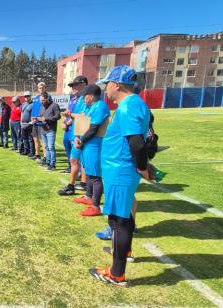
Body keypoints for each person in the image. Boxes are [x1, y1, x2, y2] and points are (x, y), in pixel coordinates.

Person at [89, 65, 150, 287]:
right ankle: (124, 251)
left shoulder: (127, 107)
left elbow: (136, 142)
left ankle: (116, 274)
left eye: (107, 85)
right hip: (120, 169)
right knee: (123, 216)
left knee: (118, 221)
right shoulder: (134, 104)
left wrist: (143, 166)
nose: (106, 90)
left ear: (117, 85)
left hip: (120, 169)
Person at [73, 85, 110, 217]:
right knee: (88, 172)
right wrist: (78, 138)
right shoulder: (90, 107)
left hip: (95, 145)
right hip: (87, 144)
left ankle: (95, 206)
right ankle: (89, 197)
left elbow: (93, 129)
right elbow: (82, 123)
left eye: (85, 95)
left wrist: (81, 141)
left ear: (92, 96)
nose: (83, 98)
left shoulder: (100, 106)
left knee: (95, 176)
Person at [58, 76, 89, 195]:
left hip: (80, 134)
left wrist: (70, 117)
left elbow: (83, 116)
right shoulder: (75, 99)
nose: (73, 88)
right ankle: (77, 185)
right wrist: (65, 120)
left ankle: (80, 184)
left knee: (80, 160)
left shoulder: (85, 99)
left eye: (75, 85)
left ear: (83, 85)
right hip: (74, 133)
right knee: (75, 159)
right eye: (72, 86)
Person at [38, 92, 61, 171]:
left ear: (47, 98)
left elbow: (58, 116)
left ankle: (53, 164)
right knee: (46, 147)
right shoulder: (42, 107)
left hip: (51, 129)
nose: (42, 102)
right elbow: (41, 116)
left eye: (43, 100)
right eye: (40, 100)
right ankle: (48, 163)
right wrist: (37, 119)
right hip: (43, 129)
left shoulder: (54, 105)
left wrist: (47, 119)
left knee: (51, 147)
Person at [30, 91, 44, 162]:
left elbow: (46, 110)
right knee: (35, 139)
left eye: (42, 87)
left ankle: (45, 157)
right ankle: (37, 155)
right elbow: (33, 108)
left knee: (43, 141)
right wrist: (32, 117)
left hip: (41, 123)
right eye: (39, 88)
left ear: (45, 88)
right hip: (34, 122)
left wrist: (39, 118)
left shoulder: (47, 97)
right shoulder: (36, 98)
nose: (41, 89)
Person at [20, 91, 34, 157]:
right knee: (25, 138)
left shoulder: (33, 104)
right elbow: (22, 113)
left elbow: (34, 114)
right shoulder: (23, 104)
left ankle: (32, 152)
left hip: (30, 124)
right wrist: (21, 121)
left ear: (30, 96)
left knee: (31, 139)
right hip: (23, 124)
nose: (26, 97)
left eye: (27, 96)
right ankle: (26, 150)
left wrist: (32, 122)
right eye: (25, 96)